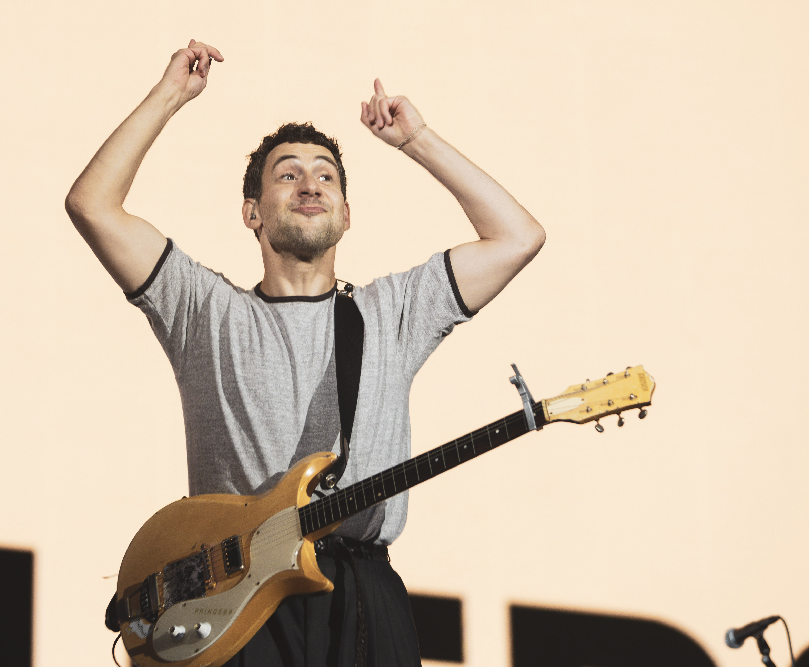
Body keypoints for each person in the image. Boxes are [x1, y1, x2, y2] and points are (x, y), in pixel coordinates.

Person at [66, 39, 545, 667]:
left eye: (326, 176)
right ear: (252, 212)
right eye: (286, 173)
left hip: (360, 592)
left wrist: (418, 140)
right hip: (234, 601)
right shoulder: (205, 309)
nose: (309, 183)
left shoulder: (391, 313)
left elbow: (518, 236)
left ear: (347, 213)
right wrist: (170, 96)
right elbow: (91, 204)